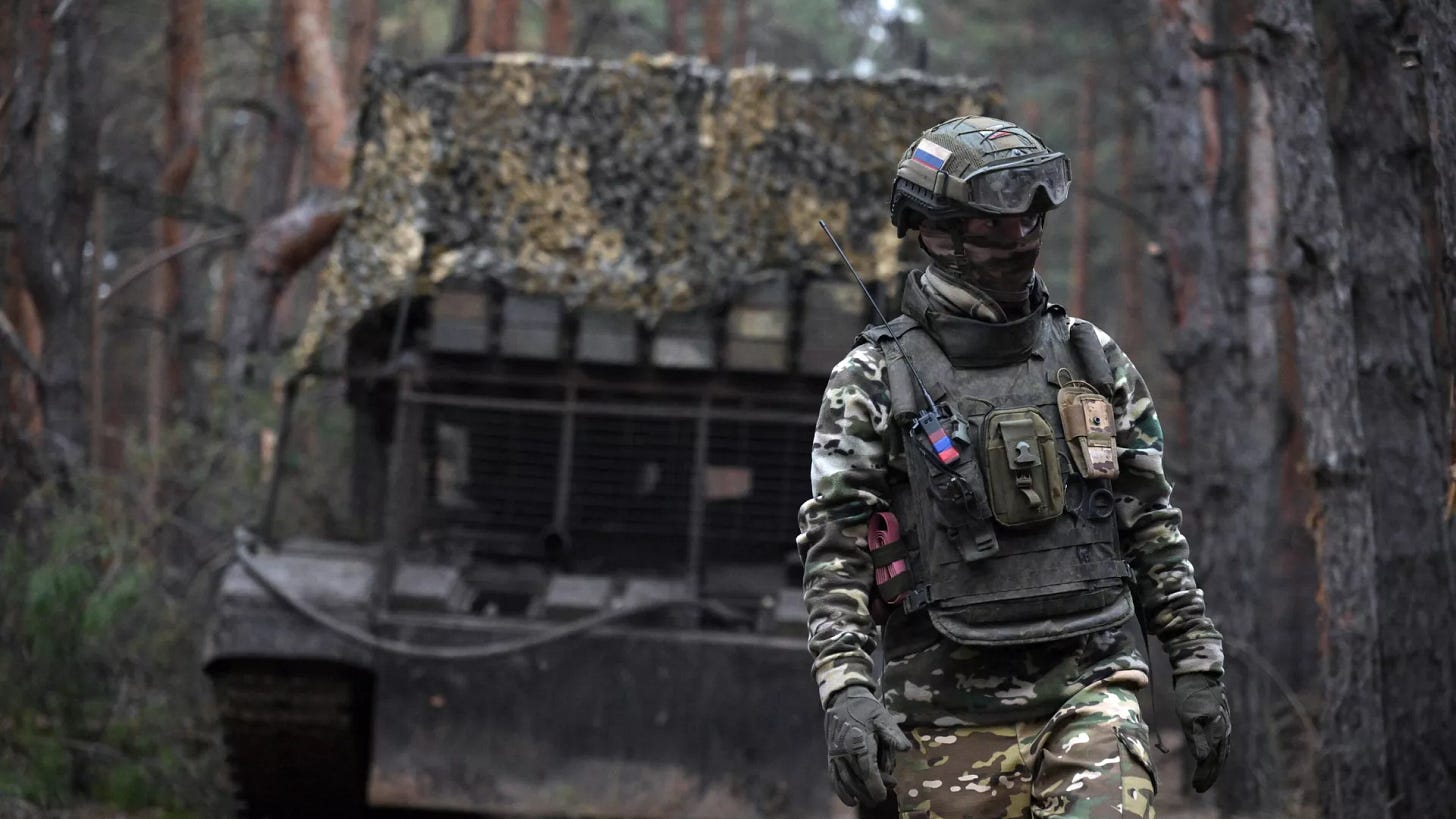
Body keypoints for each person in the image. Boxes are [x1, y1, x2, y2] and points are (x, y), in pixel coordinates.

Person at [798, 115, 1230, 818]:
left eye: (1032, 218)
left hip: (1090, 689)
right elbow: (836, 550)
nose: (1021, 239)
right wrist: (846, 691)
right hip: (939, 713)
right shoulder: (874, 380)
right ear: (936, 232)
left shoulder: (1092, 361)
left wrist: (1197, 662)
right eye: (996, 225)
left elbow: (1151, 524)